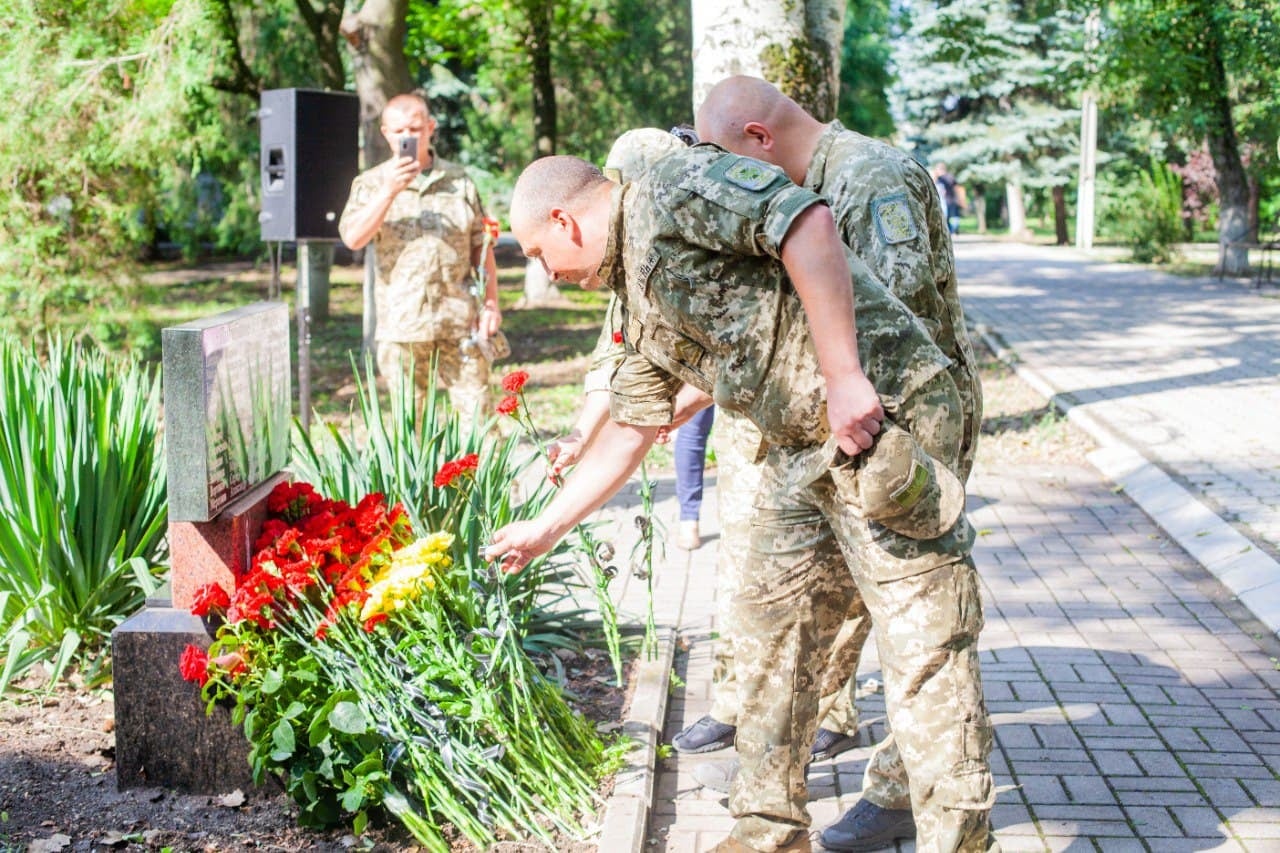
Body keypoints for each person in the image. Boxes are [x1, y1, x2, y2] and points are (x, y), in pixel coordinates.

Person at [488, 149, 996, 853]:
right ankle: (767, 833)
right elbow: (634, 429)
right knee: (768, 632)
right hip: (803, 447)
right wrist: (544, 528)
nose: (546, 272)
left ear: (564, 219)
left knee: (925, 654)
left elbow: (806, 223)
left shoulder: (670, 189)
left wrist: (846, 375)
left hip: (883, 416)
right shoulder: (633, 295)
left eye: (540, 254)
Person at [696, 75, 987, 850]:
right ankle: (833, 786)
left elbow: (895, 318)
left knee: (915, 626)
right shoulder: (812, 186)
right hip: (849, 432)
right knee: (824, 603)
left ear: (760, 137)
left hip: (909, 431)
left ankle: (904, 790)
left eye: (736, 161)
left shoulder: (871, 177)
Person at [338, 92, 502, 431]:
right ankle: (421, 487)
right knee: (409, 431)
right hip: (403, 327)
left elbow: (481, 246)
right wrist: (389, 192)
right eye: (398, 132)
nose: (407, 138)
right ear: (385, 133)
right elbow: (353, 238)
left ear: (430, 127)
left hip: (461, 323)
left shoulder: (459, 182)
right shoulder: (370, 184)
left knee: (481, 424)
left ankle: (492, 487)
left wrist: (491, 304)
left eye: (415, 129)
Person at [932, 162, 961, 235]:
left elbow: (955, 188)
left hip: (947, 200)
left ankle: (952, 231)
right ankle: (953, 230)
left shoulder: (943, 178)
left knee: (947, 217)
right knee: (951, 216)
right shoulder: (948, 177)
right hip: (948, 200)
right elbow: (956, 188)